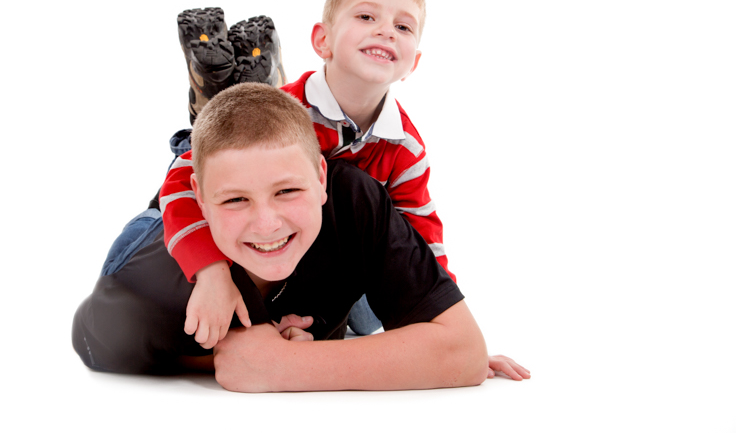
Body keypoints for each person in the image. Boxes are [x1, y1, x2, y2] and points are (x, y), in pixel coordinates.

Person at [72, 83, 530, 391]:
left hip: (306, 234)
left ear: (321, 176)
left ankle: (243, 117)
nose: (267, 223)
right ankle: (206, 134)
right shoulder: (151, 292)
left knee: (368, 318)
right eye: (236, 200)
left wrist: (285, 365)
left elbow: (463, 352)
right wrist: (224, 358)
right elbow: (90, 340)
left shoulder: (352, 195)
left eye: (287, 191)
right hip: (151, 236)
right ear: (202, 199)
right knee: (173, 200)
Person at [159, 0, 459, 348]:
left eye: (403, 27)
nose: (386, 31)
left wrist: (448, 323)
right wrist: (210, 270)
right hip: (276, 223)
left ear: (412, 63)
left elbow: (422, 238)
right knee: (217, 159)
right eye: (367, 17)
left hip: (329, 246)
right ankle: (221, 105)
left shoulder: (406, 149)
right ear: (323, 41)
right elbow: (181, 182)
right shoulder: (285, 116)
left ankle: (241, 92)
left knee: (367, 319)